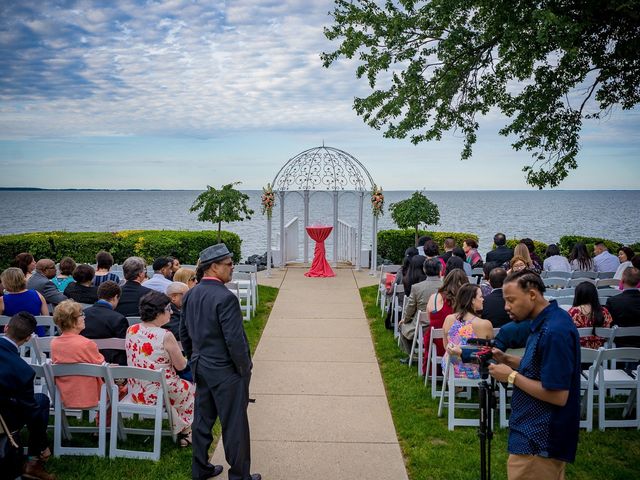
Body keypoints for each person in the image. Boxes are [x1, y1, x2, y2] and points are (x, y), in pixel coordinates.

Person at [488, 270, 581, 480]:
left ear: (532, 294)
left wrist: (511, 376)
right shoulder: (544, 323)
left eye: (511, 300)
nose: (506, 307)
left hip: (539, 440)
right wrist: (506, 359)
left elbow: (558, 395)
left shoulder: (554, 331)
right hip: (532, 434)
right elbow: (542, 366)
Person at [180, 243, 261, 480]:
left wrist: (194, 358)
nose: (232, 267)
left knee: (202, 421)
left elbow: (185, 334)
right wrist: (245, 369)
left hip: (201, 366)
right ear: (213, 267)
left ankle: (201, 469)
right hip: (226, 371)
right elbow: (235, 341)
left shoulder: (191, 293)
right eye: (228, 264)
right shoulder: (225, 298)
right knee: (234, 426)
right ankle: (239, 476)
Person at [126, 291, 195, 446]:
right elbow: (181, 366)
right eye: (168, 308)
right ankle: (186, 431)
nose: (171, 312)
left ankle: (181, 425)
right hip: (161, 392)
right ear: (158, 313)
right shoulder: (165, 335)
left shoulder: (132, 329)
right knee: (191, 386)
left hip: (137, 389)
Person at [0, 312, 55, 480]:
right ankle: (33, 460)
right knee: (40, 402)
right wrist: (43, 443)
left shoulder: (22, 370)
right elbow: (31, 410)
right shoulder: (23, 371)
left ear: (6, 327)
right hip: (4, 420)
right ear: (28, 338)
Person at [51, 300, 105, 409]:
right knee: (118, 386)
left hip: (65, 395)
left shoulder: (54, 343)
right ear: (73, 321)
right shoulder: (87, 344)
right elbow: (102, 367)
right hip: (91, 396)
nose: (84, 317)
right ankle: (107, 423)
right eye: (81, 315)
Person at [422, 269, 469, 374]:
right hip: (460, 345)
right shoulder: (467, 302)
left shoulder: (435, 298)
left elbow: (430, 319)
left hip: (438, 342)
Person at [442, 284, 493, 379]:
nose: (483, 299)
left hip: (451, 368)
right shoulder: (485, 324)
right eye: (481, 296)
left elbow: (446, 346)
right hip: (476, 371)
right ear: (472, 300)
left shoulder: (449, 319)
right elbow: (490, 352)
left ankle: (457, 388)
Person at [399, 258, 442, 359]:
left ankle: (412, 355)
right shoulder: (446, 286)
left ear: (424, 270)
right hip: (442, 324)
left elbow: (410, 308)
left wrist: (405, 320)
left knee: (402, 326)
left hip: (423, 326)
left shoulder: (417, 287)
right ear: (440, 270)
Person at [82, 281, 129, 365]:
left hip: (85, 360)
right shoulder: (119, 319)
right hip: (110, 364)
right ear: (116, 297)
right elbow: (124, 348)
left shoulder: (83, 314)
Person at [568, 282, 613, 349]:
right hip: (600, 350)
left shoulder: (573, 312)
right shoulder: (604, 312)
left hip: (578, 350)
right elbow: (607, 333)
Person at [606, 267, 640, 347]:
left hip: (618, 343)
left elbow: (608, 324)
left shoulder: (613, 301)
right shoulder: (613, 301)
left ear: (623, 279)